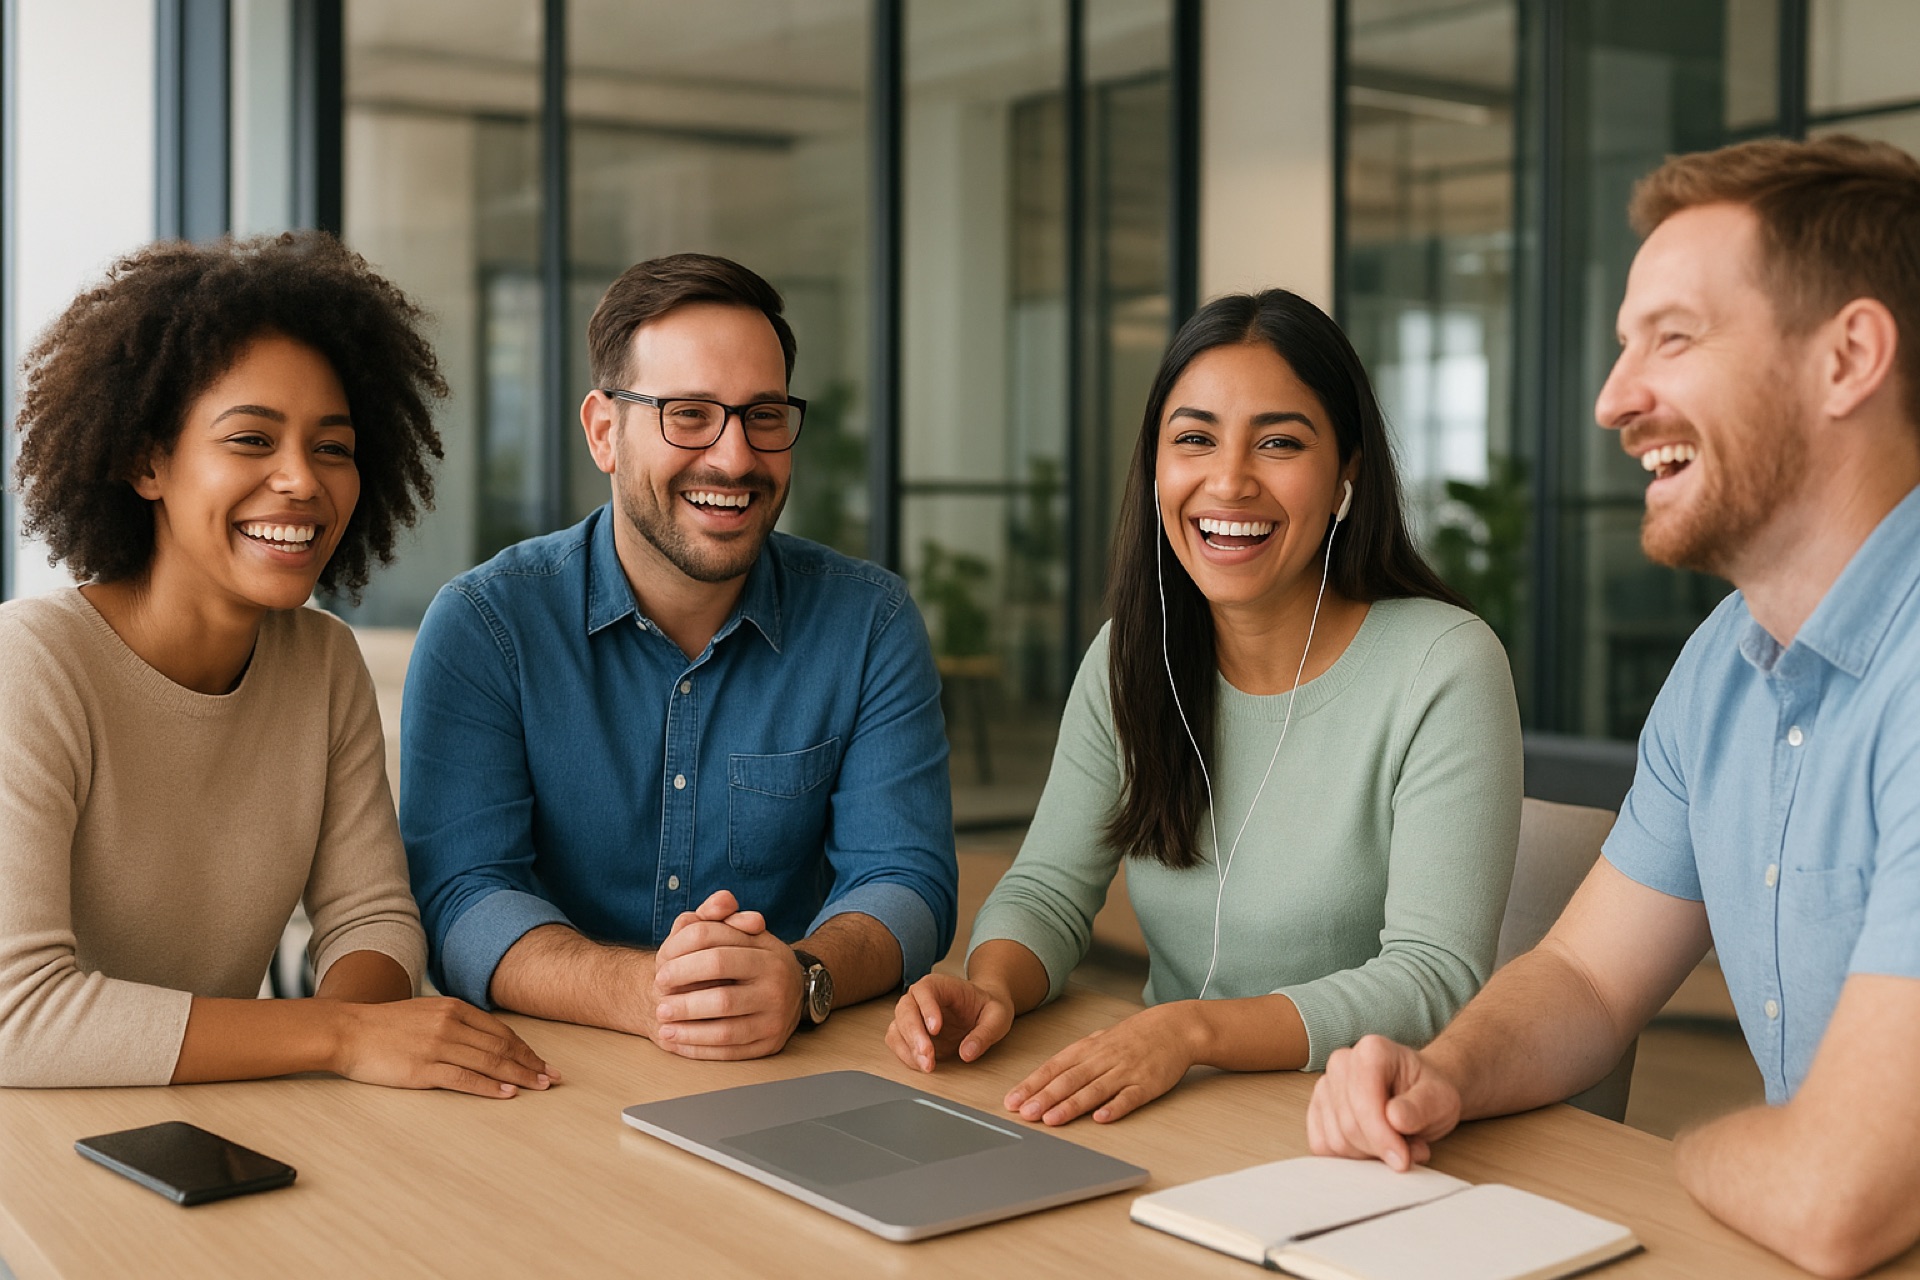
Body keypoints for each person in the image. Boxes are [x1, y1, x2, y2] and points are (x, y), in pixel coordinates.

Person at [1306, 135, 1920, 1279]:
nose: (1611, 399)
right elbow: (1588, 978)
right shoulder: (1723, 664)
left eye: (1672, 338)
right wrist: (1449, 1070)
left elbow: (1839, 1195)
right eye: (1623, 344)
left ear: (1848, 359)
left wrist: (1722, 1152)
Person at [886, 288, 1523, 1125]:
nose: (1229, 481)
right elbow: (1046, 891)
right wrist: (992, 988)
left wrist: (1190, 1032)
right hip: (1174, 1110)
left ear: (1349, 469)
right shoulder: (1128, 657)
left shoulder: (1444, 665)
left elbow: (1432, 978)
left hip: (1361, 1123)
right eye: (1194, 439)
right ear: (1156, 466)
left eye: (1280, 443)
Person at [0, 233, 555, 1097]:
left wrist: (364, 1039)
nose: (302, 480)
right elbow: (17, 1017)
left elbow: (372, 917)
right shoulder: (31, 666)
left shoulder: (321, 663)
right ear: (147, 461)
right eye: (252, 439)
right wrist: (341, 1037)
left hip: (211, 1123)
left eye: (332, 448)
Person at [403, 253, 956, 1060]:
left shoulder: (870, 623)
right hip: (547, 1074)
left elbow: (907, 881)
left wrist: (804, 976)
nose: (735, 458)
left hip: (789, 1065)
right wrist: (646, 992)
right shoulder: (487, 626)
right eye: (689, 414)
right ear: (604, 432)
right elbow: (461, 894)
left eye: (764, 415)